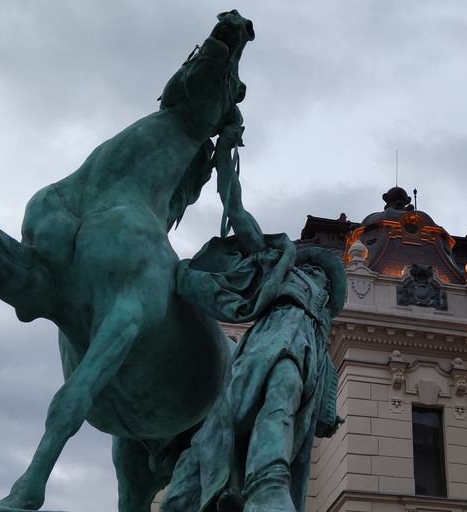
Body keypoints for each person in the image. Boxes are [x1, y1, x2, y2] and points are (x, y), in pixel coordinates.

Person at [160, 114, 344, 512]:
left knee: (283, 396)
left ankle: (268, 484)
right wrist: (225, 156)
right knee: (223, 424)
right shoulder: (280, 266)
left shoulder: (322, 320)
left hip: (303, 348)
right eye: (312, 266)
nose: (317, 273)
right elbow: (237, 210)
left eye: (325, 274)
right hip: (266, 341)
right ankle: (208, 490)